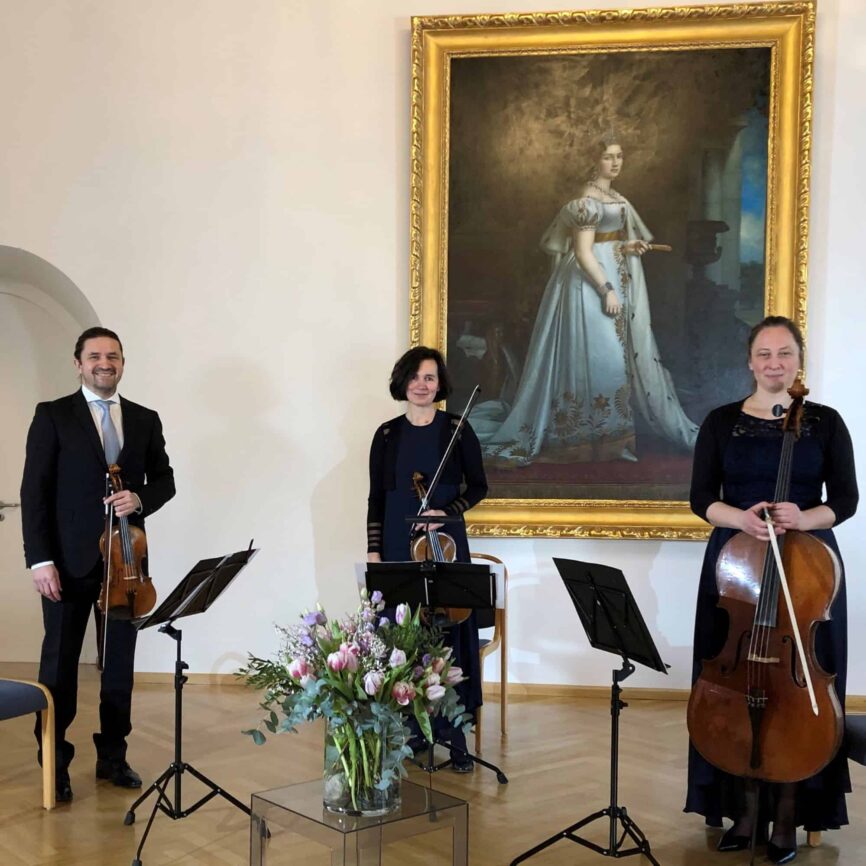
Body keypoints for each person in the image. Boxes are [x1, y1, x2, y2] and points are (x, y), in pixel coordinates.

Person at [686, 316, 858, 863]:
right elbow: (700, 499)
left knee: (798, 688)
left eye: (785, 353)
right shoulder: (719, 423)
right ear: (750, 361)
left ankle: (789, 815)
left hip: (807, 572)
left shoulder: (826, 423)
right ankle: (742, 810)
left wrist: (804, 518)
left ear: (798, 361)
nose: (774, 363)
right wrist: (741, 517)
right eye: (764, 354)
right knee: (735, 684)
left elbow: (847, 500)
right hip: (737, 566)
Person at [472, 132, 697, 464]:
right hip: (587, 286)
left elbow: (607, 241)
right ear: (594, 160)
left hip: (612, 276)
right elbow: (582, 252)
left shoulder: (614, 195)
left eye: (620, 156)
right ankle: (577, 440)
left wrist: (627, 246)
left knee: (613, 360)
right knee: (597, 357)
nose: (616, 162)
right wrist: (606, 290)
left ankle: (611, 441)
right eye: (609, 156)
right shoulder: (586, 199)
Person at [20, 326, 176, 803]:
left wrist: (140, 498)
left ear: (123, 363)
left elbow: (165, 480)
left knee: (120, 668)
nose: (104, 363)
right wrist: (39, 560)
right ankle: (56, 762)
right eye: (94, 356)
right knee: (60, 665)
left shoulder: (145, 419)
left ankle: (113, 755)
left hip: (126, 565)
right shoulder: (52, 416)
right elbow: (34, 493)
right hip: (66, 564)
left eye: (113, 355)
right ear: (78, 363)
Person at [366, 346, 488, 771]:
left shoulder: (457, 429)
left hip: (445, 544)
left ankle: (457, 740)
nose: (422, 384)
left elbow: (478, 487)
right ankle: (415, 734)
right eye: (416, 376)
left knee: (450, 641)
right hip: (400, 546)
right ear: (403, 381)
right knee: (405, 641)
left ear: (440, 384)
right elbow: (376, 499)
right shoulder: (386, 435)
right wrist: (374, 550)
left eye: (430, 377)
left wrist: (446, 513)